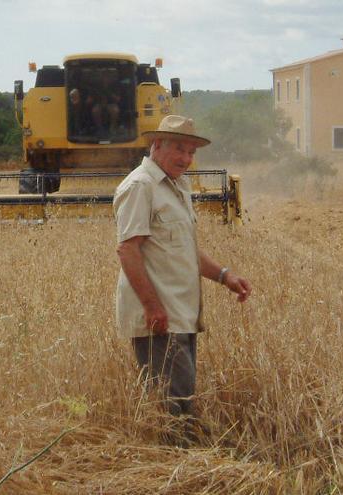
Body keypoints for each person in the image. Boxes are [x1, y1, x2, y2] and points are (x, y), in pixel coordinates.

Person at [114, 115, 251, 438]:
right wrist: (152, 308)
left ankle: (179, 460)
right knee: (172, 403)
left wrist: (224, 275)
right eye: (179, 148)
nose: (186, 158)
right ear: (157, 145)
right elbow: (128, 250)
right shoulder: (140, 187)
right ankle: (172, 467)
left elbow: (184, 249)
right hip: (160, 317)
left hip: (181, 312)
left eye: (191, 151)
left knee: (181, 396)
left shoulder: (177, 185)